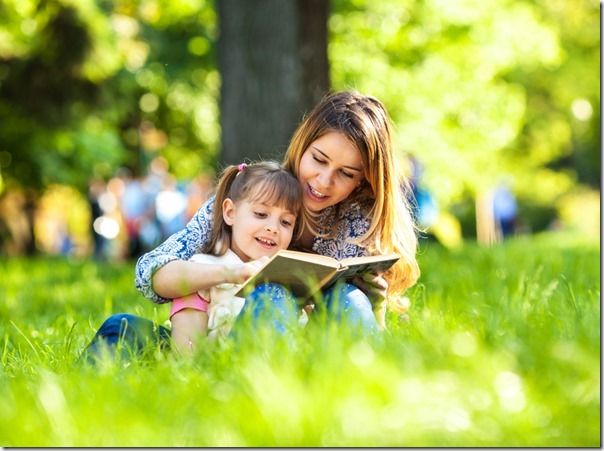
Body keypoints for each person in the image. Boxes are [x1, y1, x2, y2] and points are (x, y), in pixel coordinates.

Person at [136, 90, 420, 332]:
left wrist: (376, 306)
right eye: (318, 160)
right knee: (271, 295)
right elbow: (151, 274)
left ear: (363, 181)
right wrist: (231, 272)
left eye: (345, 174)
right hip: (235, 334)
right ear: (302, 145)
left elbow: (349, 314)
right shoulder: (253, 197)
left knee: (350, 297)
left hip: (313, 346)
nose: (324, 181)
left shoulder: (358, 225)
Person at [84, 161, 303, 359]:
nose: (273, 228)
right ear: (230, 212)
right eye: (261, 214)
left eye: (285, 222)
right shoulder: (203, 268)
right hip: (212, 363)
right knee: (120, 326)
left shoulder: (288, 279)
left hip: (263, 368)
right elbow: (186, 357)